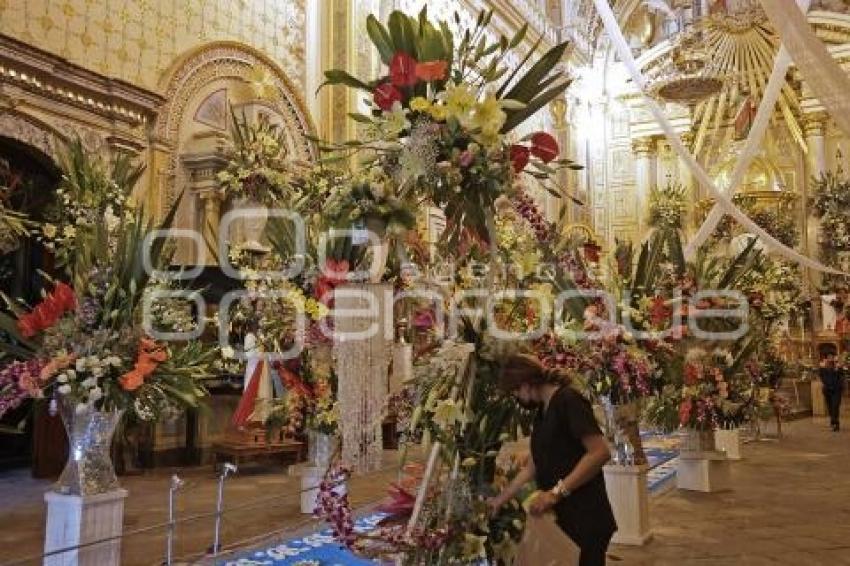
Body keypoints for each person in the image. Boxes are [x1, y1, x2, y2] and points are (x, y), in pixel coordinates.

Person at [489, 354, 617, 566]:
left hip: (585, 514)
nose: (517, 398)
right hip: (564, 518)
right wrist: (500, 499)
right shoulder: (542, 411)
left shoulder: (568, 400)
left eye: (516, 391)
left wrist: (556, 493)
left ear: (526, 384)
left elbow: (599, 452)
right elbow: (533, 467)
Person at [819, 352, 845, 432]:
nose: (830, 358)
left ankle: (836, 424)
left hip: (836, 390)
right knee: (830, 407)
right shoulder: (823, 366)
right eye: (829, 357)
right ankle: (833, 421)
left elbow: (842, 376)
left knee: (835, 406)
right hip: (828, 390)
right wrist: (822, 368)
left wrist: (839, 368)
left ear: (834, 357)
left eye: (832, 356)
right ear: (826, 358)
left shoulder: (837, 366)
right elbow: (822, 378)